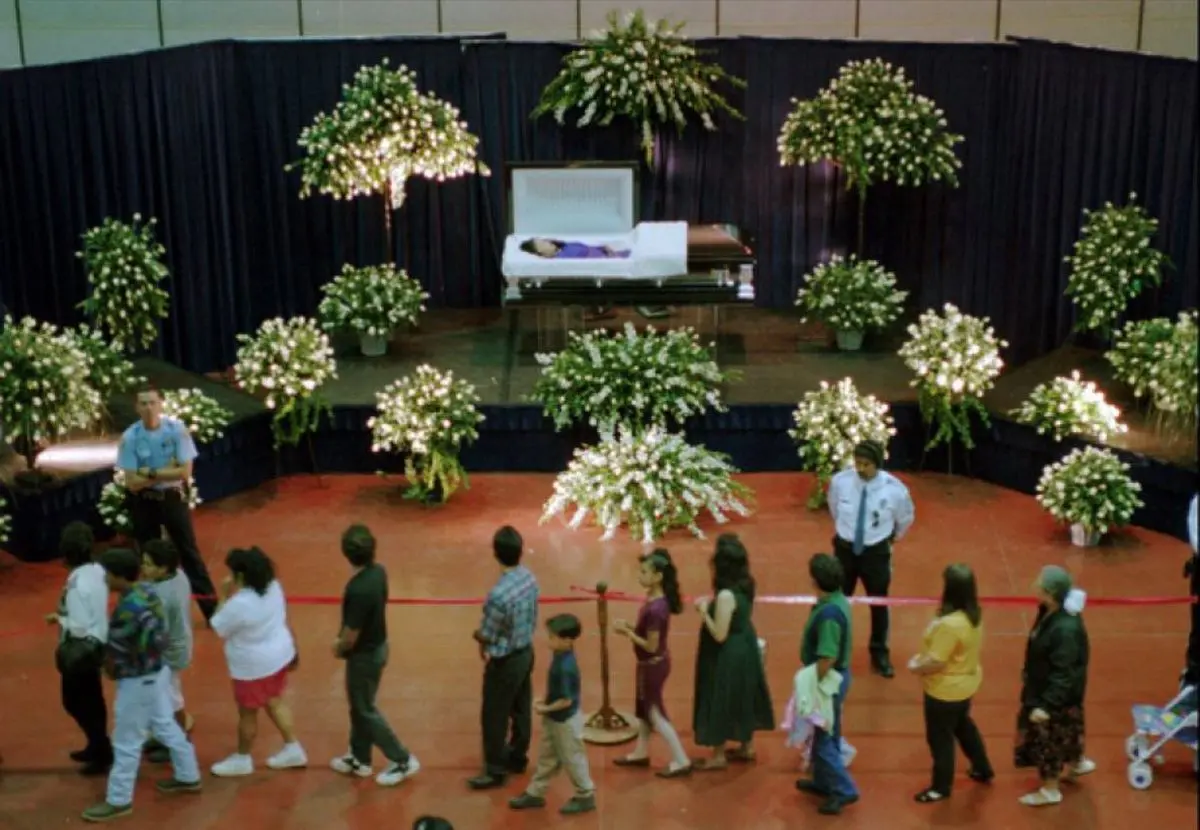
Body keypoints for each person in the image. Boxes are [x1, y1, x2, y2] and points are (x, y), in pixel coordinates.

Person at [81, 548, 201, 823]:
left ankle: (118, 800)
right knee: (165, 724)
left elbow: (116, 652)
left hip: (137, 680)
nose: (104, 580)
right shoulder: (148, 591)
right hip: (157, 672)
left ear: (119, 576)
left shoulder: (128, 609)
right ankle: (188, 774)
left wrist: (107, 665)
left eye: (107, 575)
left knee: (126, 741)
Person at [117, 384, 216, 622]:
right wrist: (165, 471)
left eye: (153, 402)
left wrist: (148, 473)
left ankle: (212, 612)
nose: (149, 408)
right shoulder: (129, 438)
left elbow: (184, 472)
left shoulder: (176, 430)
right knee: (149, 559)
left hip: (172, 499)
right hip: (144, 503)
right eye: (143, 403)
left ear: (161, 403)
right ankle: (153, 612)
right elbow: (131, 482)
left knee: (189, 553)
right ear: (136, 407)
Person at [329, 524, 419, 787]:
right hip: (378, 647)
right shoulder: (378, 573)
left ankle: (402, 759)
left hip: (364, 656)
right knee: (359, 705)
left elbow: (350, 634)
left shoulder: (357, 589)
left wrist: (338, 646)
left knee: (365, 709)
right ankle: (360, 757)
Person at [208, 547, 307, 777]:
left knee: (248, 713)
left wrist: (223, 595)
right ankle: (293, 747)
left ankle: (242, 758)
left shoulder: (240, 603)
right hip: (279, 655)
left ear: (241, 576)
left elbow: (218, 626)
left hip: (253, 667)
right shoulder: (273, 586)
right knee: (275, 701)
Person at [827, 439, 915, 678]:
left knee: (879, 604)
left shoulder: (895, 490)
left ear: (877, 464)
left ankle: (879, 653)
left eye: (866, 464)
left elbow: (905, 519)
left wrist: (890, 539)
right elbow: (833, 508)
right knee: (838, 603)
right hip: (845, 550)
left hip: (876, 553)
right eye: (857, 463)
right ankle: (835, 650)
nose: (861, 468)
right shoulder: (840, 483)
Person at [907, 564, 994, 803]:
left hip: (944, 691)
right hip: (965, 684)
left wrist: (916, 667)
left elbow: (936, 660)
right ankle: (982, 767)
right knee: (963, 726)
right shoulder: (973, 614)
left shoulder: (950, 625)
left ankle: (940, 787)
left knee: (940, 739)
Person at [692, 534, 775, 770]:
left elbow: (719, 633)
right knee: (743, 695)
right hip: (744, 644)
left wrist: (703, 610)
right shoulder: (747, 584)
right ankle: (746, 746)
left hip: (727, 653)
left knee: (721, 696)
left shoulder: (726, 595)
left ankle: (718, 756)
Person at [1014, 565, 1094, 807]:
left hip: (1055, 697)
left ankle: (1050, 789)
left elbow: (1063, 672)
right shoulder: (1051, 611)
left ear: (1050, 592)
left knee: (1049, 740)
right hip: (1050, 688)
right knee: (1068, 731)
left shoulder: (1064, 630)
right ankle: (1076, 762)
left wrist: (1046, 705)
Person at [468, 525, 540, 790]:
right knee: (521, 708)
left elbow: (488, 633)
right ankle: (518, 756)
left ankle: (495, 769)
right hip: (526, 652)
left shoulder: (498, 596)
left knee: (494, 715)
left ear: (496, 554)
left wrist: (478, 636)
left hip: (505, 660)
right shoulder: (530, 579)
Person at [612, 549, 692, 776]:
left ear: (658, 576)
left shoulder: (656, 609)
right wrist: (631, 628)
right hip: (652, 664)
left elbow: (651, 646)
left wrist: (626, 633)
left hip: (652, 665)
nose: (640, 575)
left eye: (644, 572)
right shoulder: (655, 600)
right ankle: (640, 751)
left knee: (655, 713)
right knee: (645, 710)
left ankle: (680, 759)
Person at [508, 613, 596, 815]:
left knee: (572, 758)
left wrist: (545, 708)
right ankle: (536, 792)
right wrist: (546, 702)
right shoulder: (560, 656)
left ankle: (585, 794)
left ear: (567, 640)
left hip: (565, 721)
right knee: (547, 756)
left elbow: (566, 700)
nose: (549, 640)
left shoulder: (565, 667)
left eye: (553, 637)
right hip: (555, 718)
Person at [794, 553, 859, 815]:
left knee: (823, 740)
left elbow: (827, 656)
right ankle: (823, 781)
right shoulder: (838, 601)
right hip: (837, 678)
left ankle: (844, 789)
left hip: (827, 682)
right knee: (828, 732)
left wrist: (814, 686)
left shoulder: (829, 614)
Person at [47, 521, 112, 775]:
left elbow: (79, 627)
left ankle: (100, 747)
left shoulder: (76, 585)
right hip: (98, 642)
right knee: (94, 699)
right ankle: (97, 745)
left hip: (81, 648)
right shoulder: (97, 571)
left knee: (75, 701)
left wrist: (59, 619)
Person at [140, 539, 196, 763]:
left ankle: (180, 737)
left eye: (148, 564)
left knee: (171, 698)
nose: (143, 568)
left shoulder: (161, 598)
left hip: (168, 654)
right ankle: (164, 735)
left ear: (163, 568)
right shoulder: (179, 576)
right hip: (180, 643)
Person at [519, 238, 631, 259]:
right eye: (543, 243)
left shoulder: (563, 247)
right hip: (610, 259)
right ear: (540, 252)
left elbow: (586, 247)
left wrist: (603, 247)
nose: (548, 241)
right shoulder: (562, 259)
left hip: (611, 254)